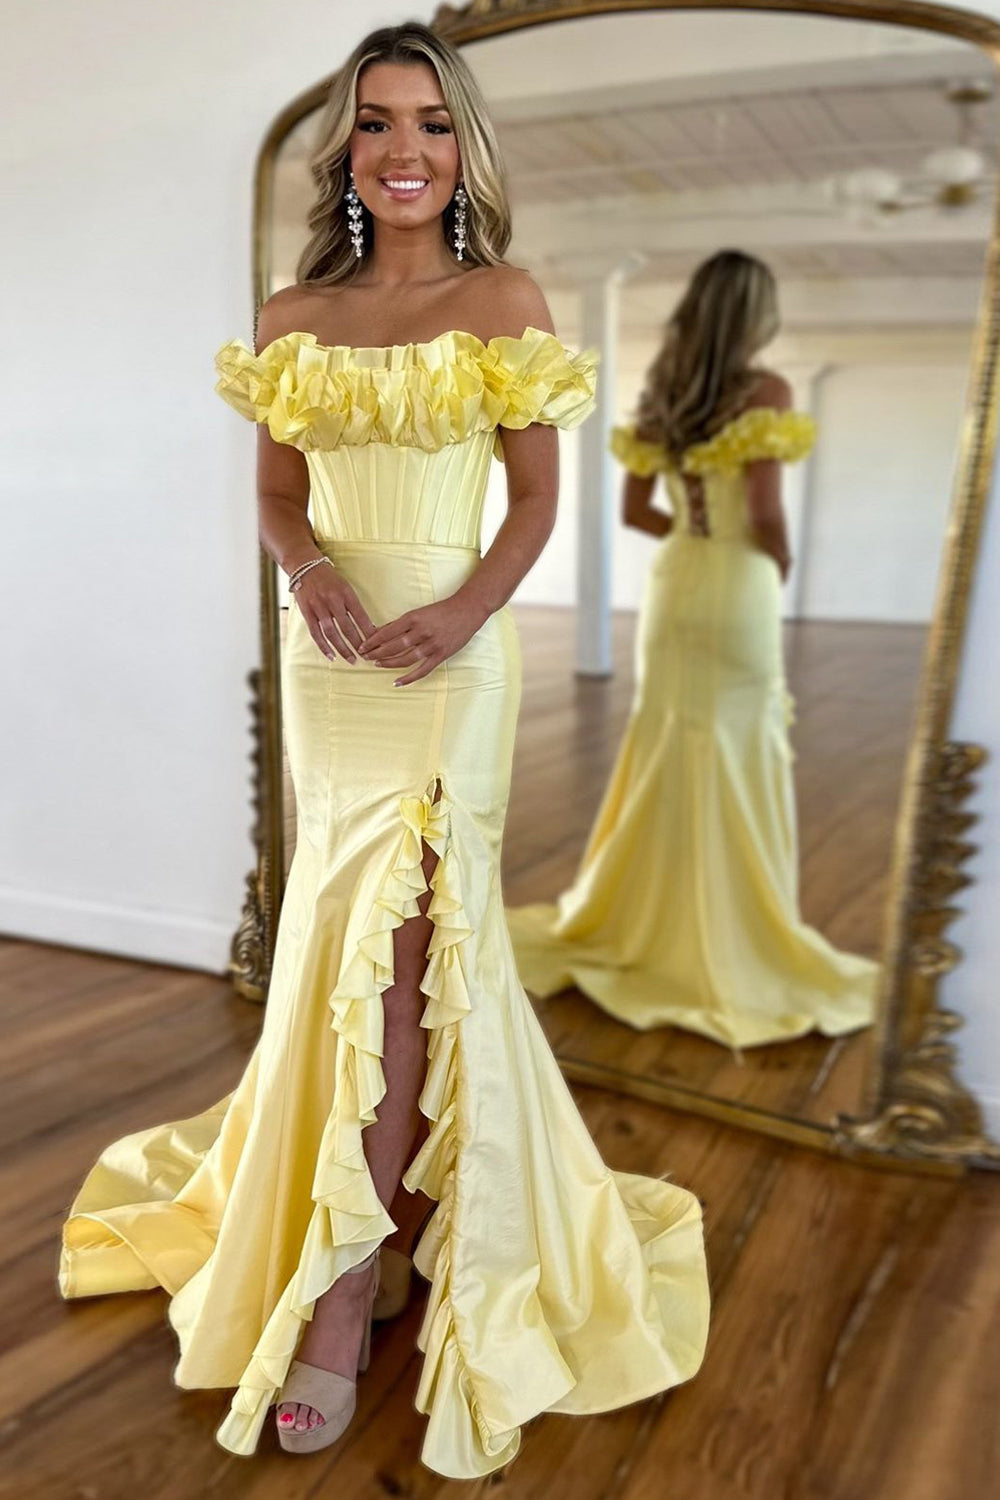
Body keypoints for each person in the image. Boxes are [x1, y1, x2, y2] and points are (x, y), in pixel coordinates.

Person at [57, 22, 710, 1478]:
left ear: (464, 148)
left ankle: (349, 1291)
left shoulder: (506, 298)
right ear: (346, 149)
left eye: (429, 121)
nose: (402, 148)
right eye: (375, 121)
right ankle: (382, 1229)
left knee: (414, 952)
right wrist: (307, 575)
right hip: (334, 660)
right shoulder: (294, 314)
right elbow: (278, 497)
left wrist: (466, 612)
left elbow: (533, 503)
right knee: (343, 940)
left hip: (452, 658)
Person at [507, 250, 879, 1049]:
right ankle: (731, 931)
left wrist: (691, 532)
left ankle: (647, 917)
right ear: (756, 316)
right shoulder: (768, 392)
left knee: (667, 740)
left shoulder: (662, 395)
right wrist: (777, 559)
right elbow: (767, 511)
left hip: (676, 583)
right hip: (739, 581)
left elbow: (637, 511)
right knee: (740, 746)